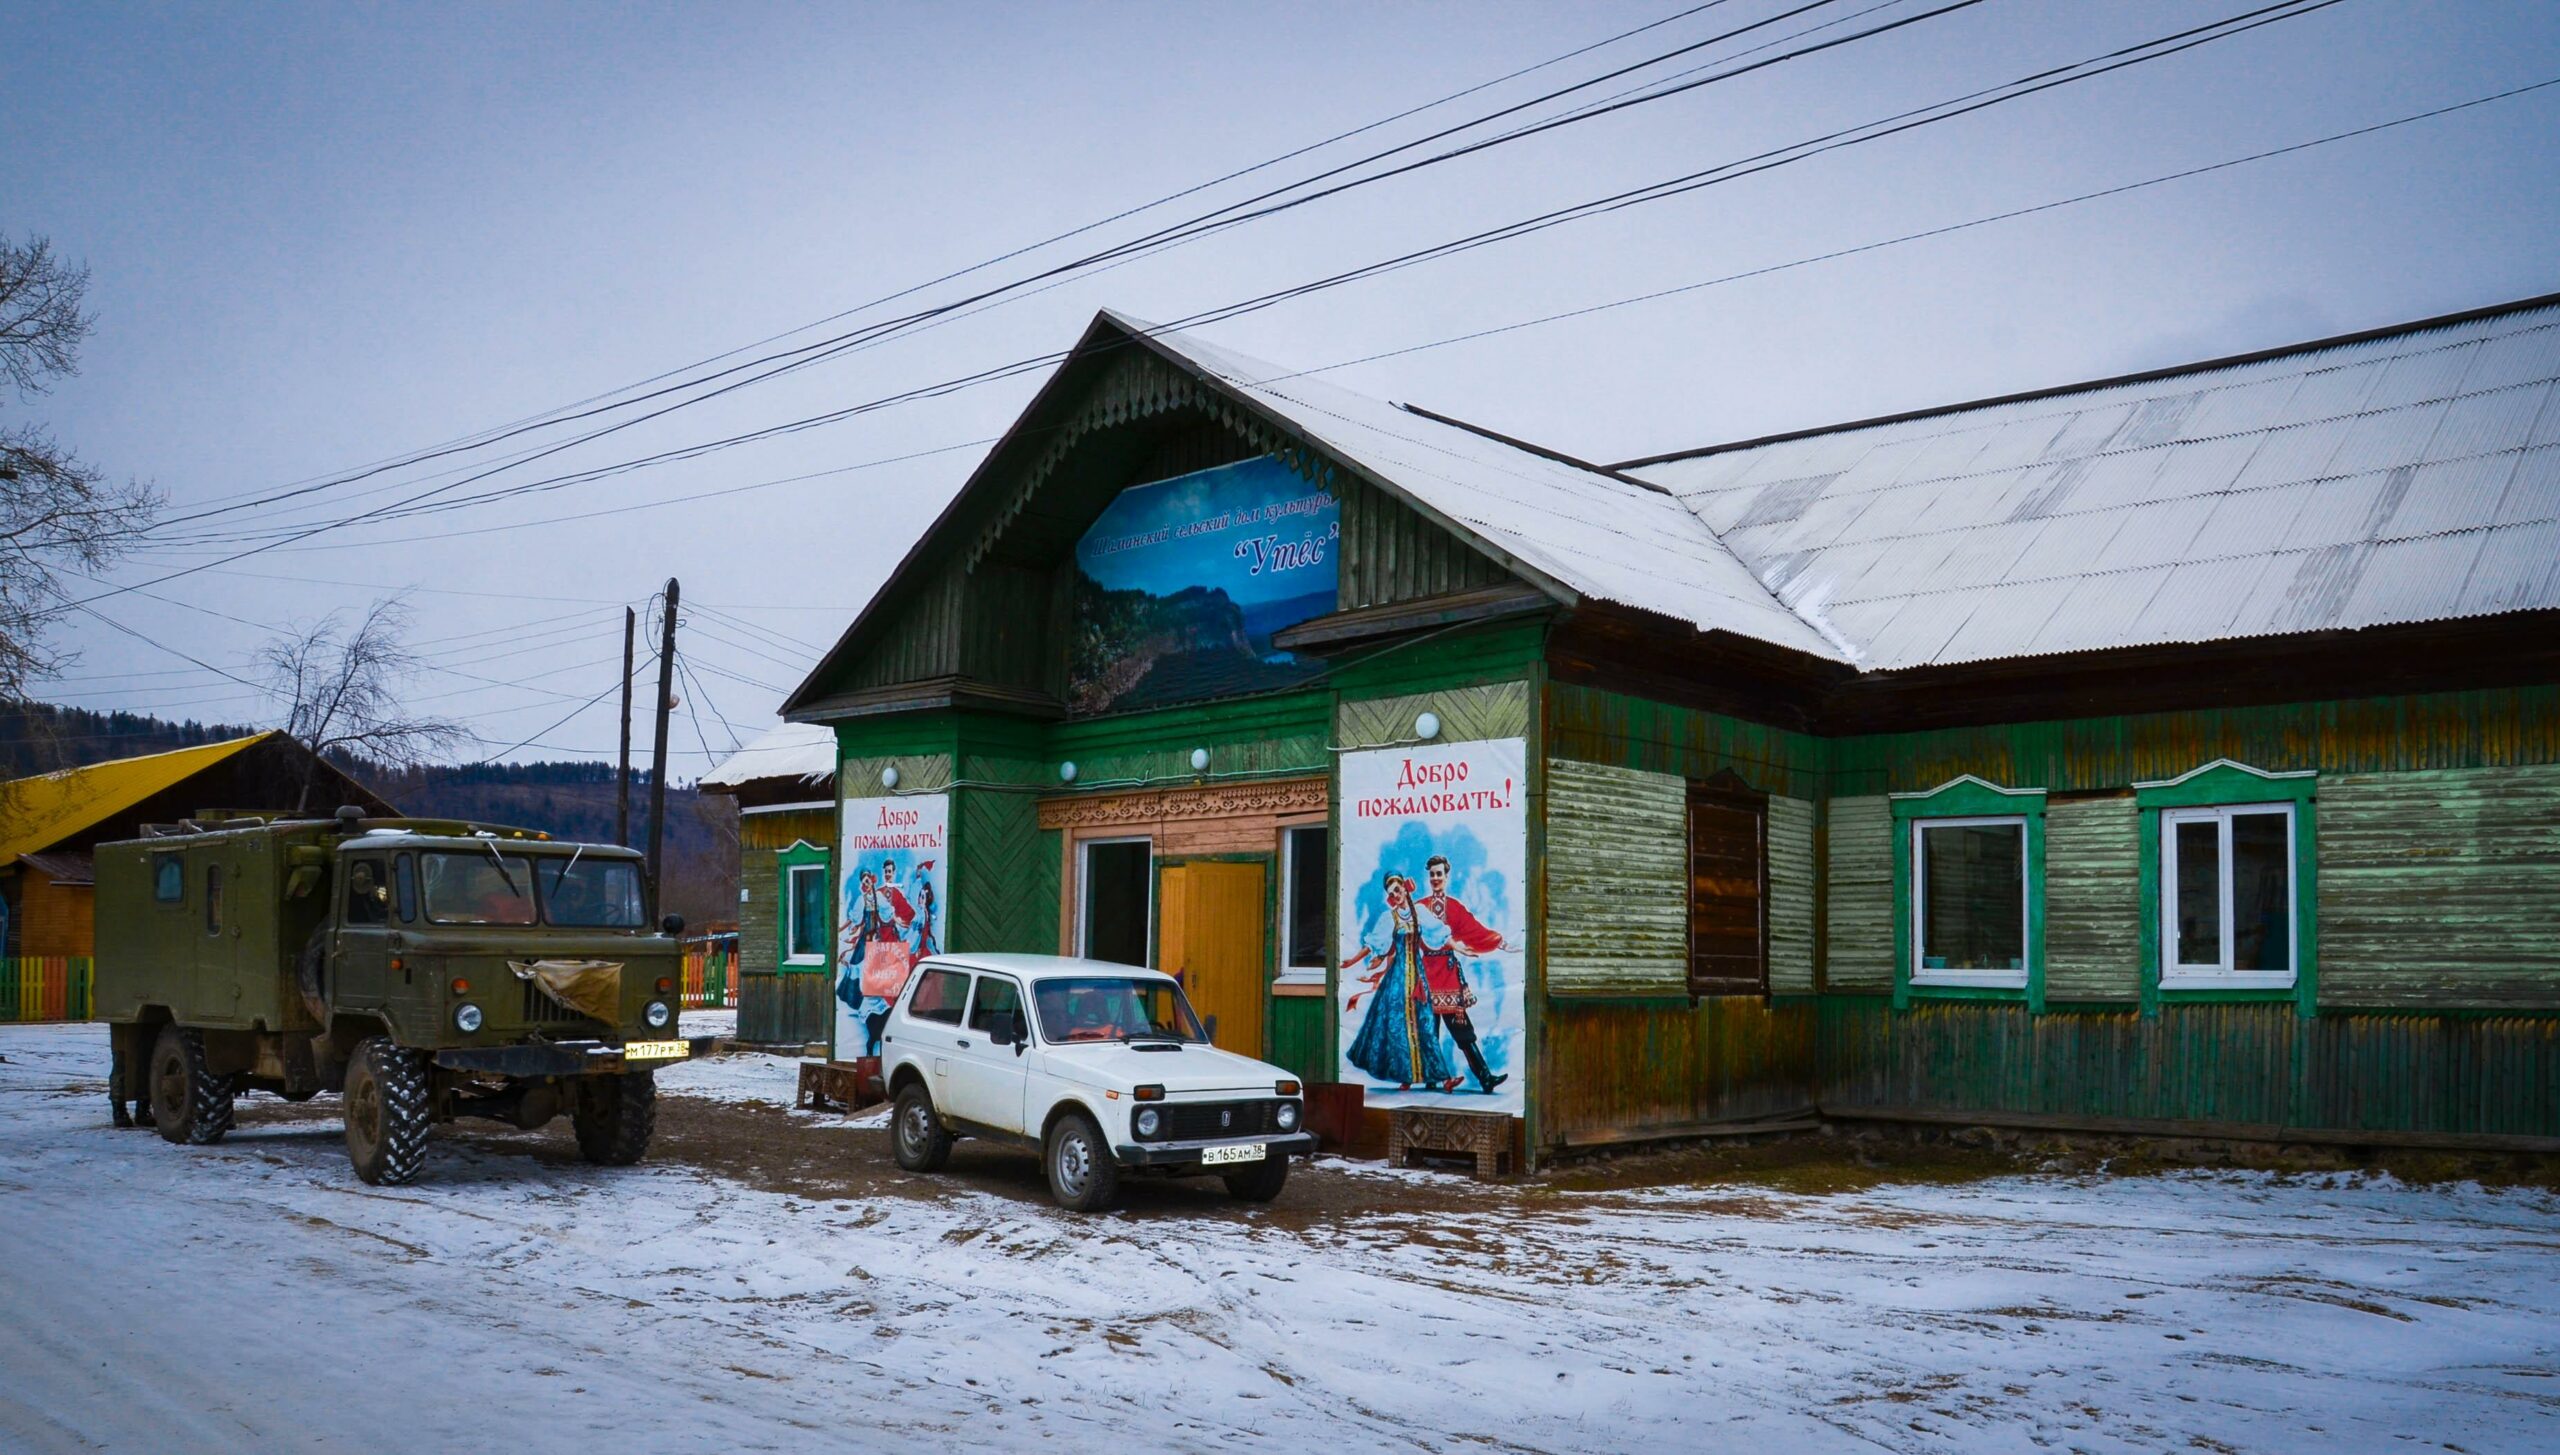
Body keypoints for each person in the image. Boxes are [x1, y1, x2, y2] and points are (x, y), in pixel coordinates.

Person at [1340, 873, 1454, 1091]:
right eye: (1391, 891)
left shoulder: (1419, 912)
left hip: (1418, 977)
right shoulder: (1389, 918)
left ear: (1405, 888)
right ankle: (1405, 1076)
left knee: (1426, 1025)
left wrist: (1459, 946)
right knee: (1399, 1027)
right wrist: (1353, 960)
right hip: (1398, 978)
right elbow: (1375, 944)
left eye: (1398, 888)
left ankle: (1442, 1078)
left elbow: (1439, 933)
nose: (1396, 893)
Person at [1417, 854, 1512, 1095]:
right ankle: (1431, 1080)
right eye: (1432, 875)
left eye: (1439, 874)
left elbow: (1475, 930)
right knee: (1429, 1031)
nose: (1436, 878)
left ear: (1447, 877)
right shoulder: (1421, 907)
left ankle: (1485, 1078)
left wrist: (1500, 942)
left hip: (1447, 975)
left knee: (1462, 1030)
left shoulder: (1455, 907)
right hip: (1426, 974)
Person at [836, 866, 917, 1057]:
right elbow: (855, 918)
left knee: (879, 967)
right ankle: (860, 998)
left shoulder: (880, 897)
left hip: (879, 936)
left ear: (872, 880)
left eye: (867, 880)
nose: (866, 883)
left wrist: (889, 916)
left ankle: (882, 999)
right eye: (863, 881)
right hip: (868, 936)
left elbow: (888, 914)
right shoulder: (862, 899)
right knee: (860, 965)